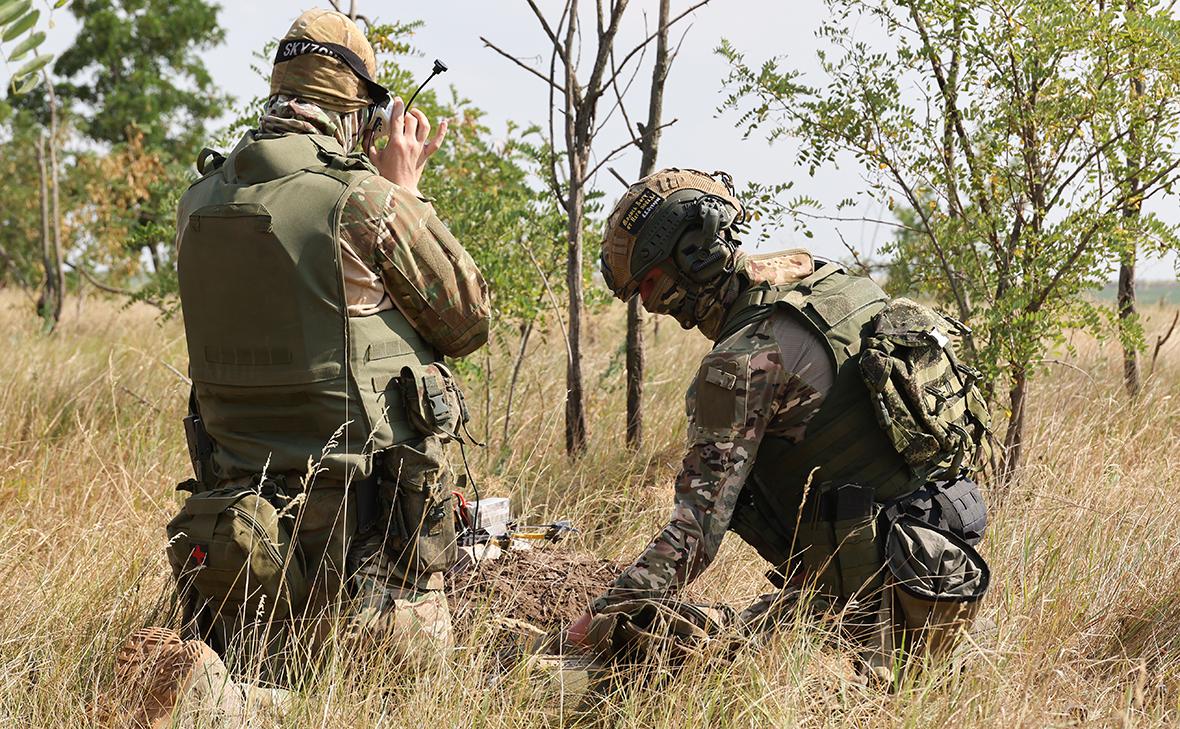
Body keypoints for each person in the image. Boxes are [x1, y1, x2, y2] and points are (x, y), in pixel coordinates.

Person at [108, 8, 488, 726]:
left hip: (238, 542)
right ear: (357, 111)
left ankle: (231, 682)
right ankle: (224, 704)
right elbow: (467, 319)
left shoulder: (197, 203)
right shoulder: (362, 200)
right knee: (407, 702)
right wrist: (405, 189)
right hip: (366, 549)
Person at [567, 168, 991, 680]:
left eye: (650, 286)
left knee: (647, 664)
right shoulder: (830, 283)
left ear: (690, 259)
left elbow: (694, 534)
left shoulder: (742, 362)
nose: (651, 306)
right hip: (944, 571)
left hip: (874, 618)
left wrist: (602, 615)